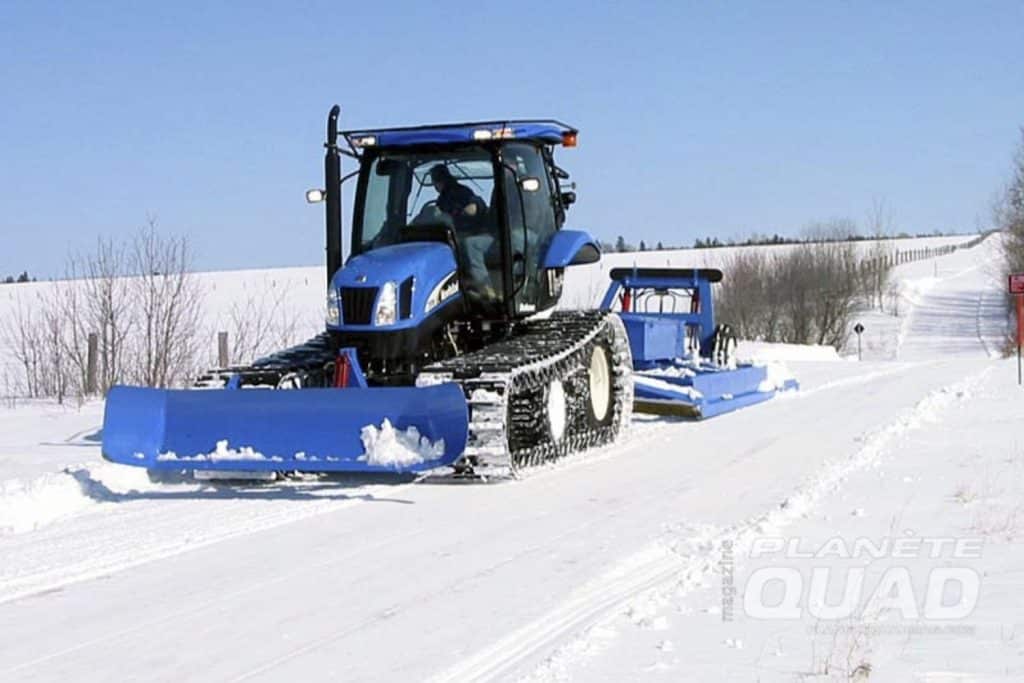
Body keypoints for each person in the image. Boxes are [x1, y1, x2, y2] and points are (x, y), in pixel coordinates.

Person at [429, 164, 498, 301]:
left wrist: (471, 208)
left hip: (468, 232)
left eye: (435, 181)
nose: (435, 185)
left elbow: (474, 207)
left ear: (440, 180)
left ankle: (483, 288)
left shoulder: (460, 192)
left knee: (463, 246)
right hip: (451, 233)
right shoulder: (442, 198)